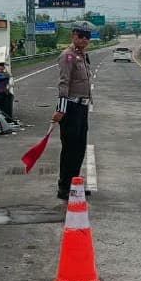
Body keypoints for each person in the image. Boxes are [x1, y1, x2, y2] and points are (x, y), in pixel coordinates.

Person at [51, 26, 93, 200]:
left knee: (79, 148)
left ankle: (74, 184)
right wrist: (61, 109)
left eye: (87, 37)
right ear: (73, 36)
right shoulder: (67, 56)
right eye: (81, 36)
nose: (84, 39)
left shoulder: (82, 56)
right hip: (71, 108)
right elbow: (64, 83)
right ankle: (64, 187)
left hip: (82, 108)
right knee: (70, 149)